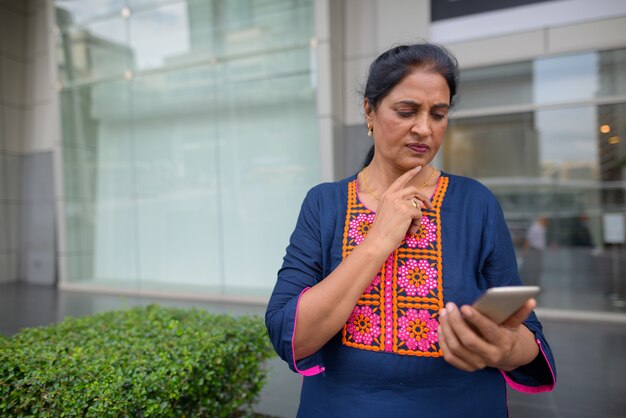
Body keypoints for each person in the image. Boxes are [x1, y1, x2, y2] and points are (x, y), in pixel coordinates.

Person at [265, 43, 556, 417]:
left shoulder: (474, 202)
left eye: (438, 114)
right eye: (406, 112)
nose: (424, 129)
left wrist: (505, 347)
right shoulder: (325, 204)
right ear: (369, 111)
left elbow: (527, 336)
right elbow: (290, 334)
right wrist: (378, 241)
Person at [521, 216, 549, 286]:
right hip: (533, 250)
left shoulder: (542, 228)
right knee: (532, 269)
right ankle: (531, 284)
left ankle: (536, 284)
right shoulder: (535, 228)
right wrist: (525, 251)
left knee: (538, 269)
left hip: (538, 251)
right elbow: (528, 240)